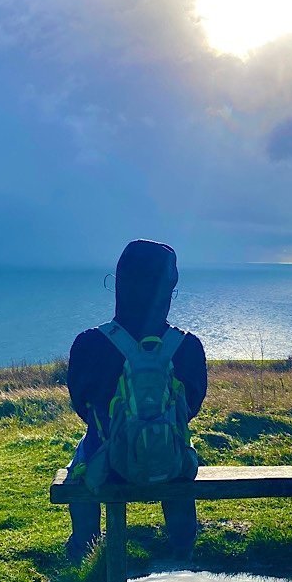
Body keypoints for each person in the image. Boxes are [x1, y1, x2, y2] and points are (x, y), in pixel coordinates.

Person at [65, 239, 207, 561]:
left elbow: (82, 406)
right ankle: (182, 543)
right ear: (167, 287)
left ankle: (84, 548)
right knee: (178, 448)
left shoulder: (89, 343)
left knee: (82, 459)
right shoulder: (187, 346)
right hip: (169, 466)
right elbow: (192, 407)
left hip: (109, 466)